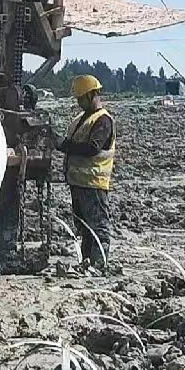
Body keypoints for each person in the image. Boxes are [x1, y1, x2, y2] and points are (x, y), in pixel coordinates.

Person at [60, 74, 115, 269]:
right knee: (84, 227)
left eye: (82, 98)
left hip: (93, 183)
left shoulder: (103, 121)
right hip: (78, 182)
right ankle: (87, 262)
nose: (79, 102)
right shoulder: (81, 119)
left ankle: (99, 265)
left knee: (98, 226)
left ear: (93, 95)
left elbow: (93, 148)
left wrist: (64, 145)